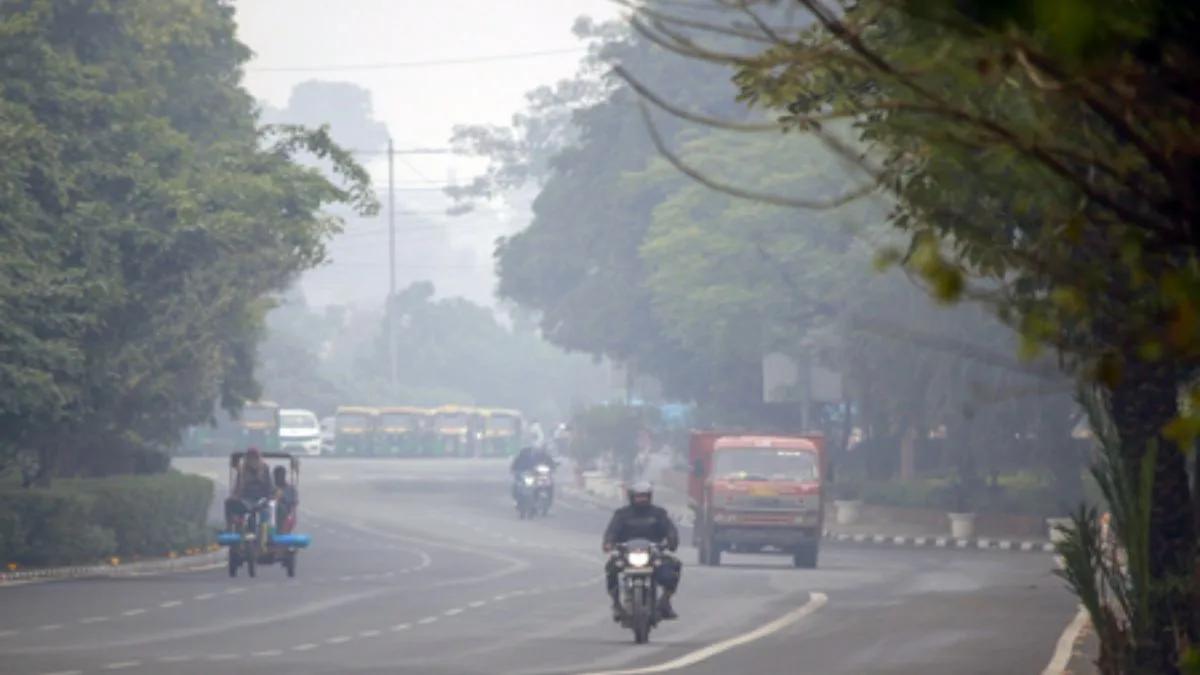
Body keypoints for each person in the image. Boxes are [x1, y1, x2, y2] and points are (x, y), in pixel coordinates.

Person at [602, 481, 682, 620]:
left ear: (650, 497)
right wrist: (609, 543)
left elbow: (670, 530)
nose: (642, 499)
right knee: (611, 568)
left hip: (653, 553)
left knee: (673, 567)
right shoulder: (622, 514)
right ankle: (616, 604)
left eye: (645, 496)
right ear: (632, 497)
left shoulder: (659, 514)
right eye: (639, 496)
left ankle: (665, 601)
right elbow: (611, 531)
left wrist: (671, 540)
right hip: (626, 553)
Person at [224, 447, 274, 530]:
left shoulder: (265, 469)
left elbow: (270, 487)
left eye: (255, 458)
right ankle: (229, 526)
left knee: (267, 509)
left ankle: (263, 530)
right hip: (245, 500)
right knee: (228, 503)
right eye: (250, 458)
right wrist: (235, 496)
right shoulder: (242, 470)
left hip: (261, 500)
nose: (253, 460)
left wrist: (269, 497)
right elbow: (238, 487)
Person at [272, 465, 298, 533]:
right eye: (277, 475)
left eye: (281, 475)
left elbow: (293, 505)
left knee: (280, 508)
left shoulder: (290, 489)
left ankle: (280, 530)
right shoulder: (271, 487)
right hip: (271, 510)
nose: (278, 477)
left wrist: (281, 498)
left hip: (285, 513)